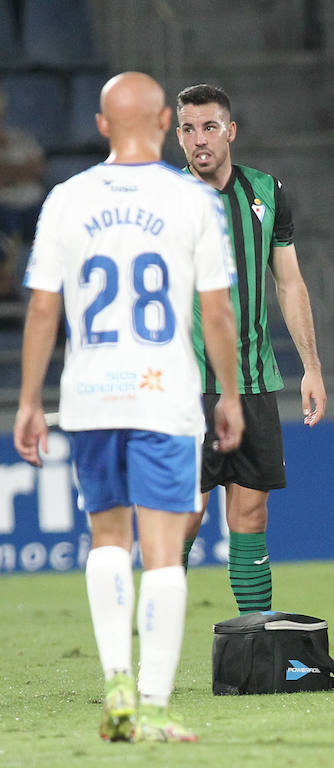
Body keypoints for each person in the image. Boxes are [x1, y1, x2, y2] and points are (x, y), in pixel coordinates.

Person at [13, 72, 243, 742]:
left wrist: (31, 401)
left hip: (89, 397)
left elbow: (42, 311)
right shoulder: (193, 200)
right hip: (163, 392)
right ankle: (152, 702)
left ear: (102, 124)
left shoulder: (67, 198)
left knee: (106, 540)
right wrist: (228, 393)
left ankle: (115, 678)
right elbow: (218, 313)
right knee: (164, 553)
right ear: (169, 119)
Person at [173, 84, 328, 615]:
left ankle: (254, 639)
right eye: (188, 129)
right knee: (184, 516)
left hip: (256, 381)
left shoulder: (265, 192)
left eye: (209, 127)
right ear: (178, 136)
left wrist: (310, 366)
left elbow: (290, 283)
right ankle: (158, 648)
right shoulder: (164, 205)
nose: (199, 140)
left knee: (251, 515)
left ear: (231, 131)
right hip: (187, 387)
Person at [0, 89, 47, 243]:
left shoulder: (21, 138)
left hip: (33, 204)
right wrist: (23, 170)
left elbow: (39, 169)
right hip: (5, 208)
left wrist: (8, 171)